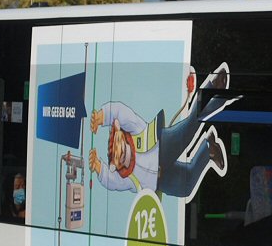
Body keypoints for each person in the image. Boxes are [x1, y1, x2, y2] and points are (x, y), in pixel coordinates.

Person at [86, 64, 232, 202]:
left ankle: (213, 87)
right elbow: (113, 182)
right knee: (186, 186)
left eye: (117, 143)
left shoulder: (133, 130)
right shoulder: (126, 177)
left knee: (190, 127)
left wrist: (102, 116)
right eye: (116, 155)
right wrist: (98, 167)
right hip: (160, 179)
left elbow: (120, 112)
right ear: (115, 165)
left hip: (161, 146)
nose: (119, 150)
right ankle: (208, 149)